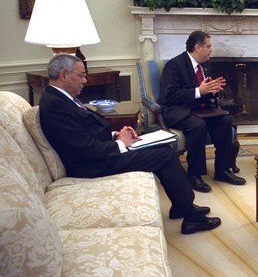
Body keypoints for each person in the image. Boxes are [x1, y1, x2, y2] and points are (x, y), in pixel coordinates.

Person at [39, 54, 221, 235]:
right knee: (164, 155)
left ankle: (182, 206)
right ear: (63, 75)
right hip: (91, 165)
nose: (85, 80)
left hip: (98, 155)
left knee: (163, 148)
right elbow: (83, 149)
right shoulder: (55, 104)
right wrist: (120, 143)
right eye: (81, 75)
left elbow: (83, 133)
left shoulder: (62, 97)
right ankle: (191, 218)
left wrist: (116, 134)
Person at [158, 30, 246, 192]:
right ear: (198, 47)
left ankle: (222, 170)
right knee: (198, 126)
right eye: (208, 46)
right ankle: (194, 175)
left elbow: (204, 89)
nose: (211, 50)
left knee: (225, 120)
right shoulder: (174, 65)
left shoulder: (205, 65)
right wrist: (199, 90)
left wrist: (212, 90)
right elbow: (169, 95)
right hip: (179, 110)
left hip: (202, 109)